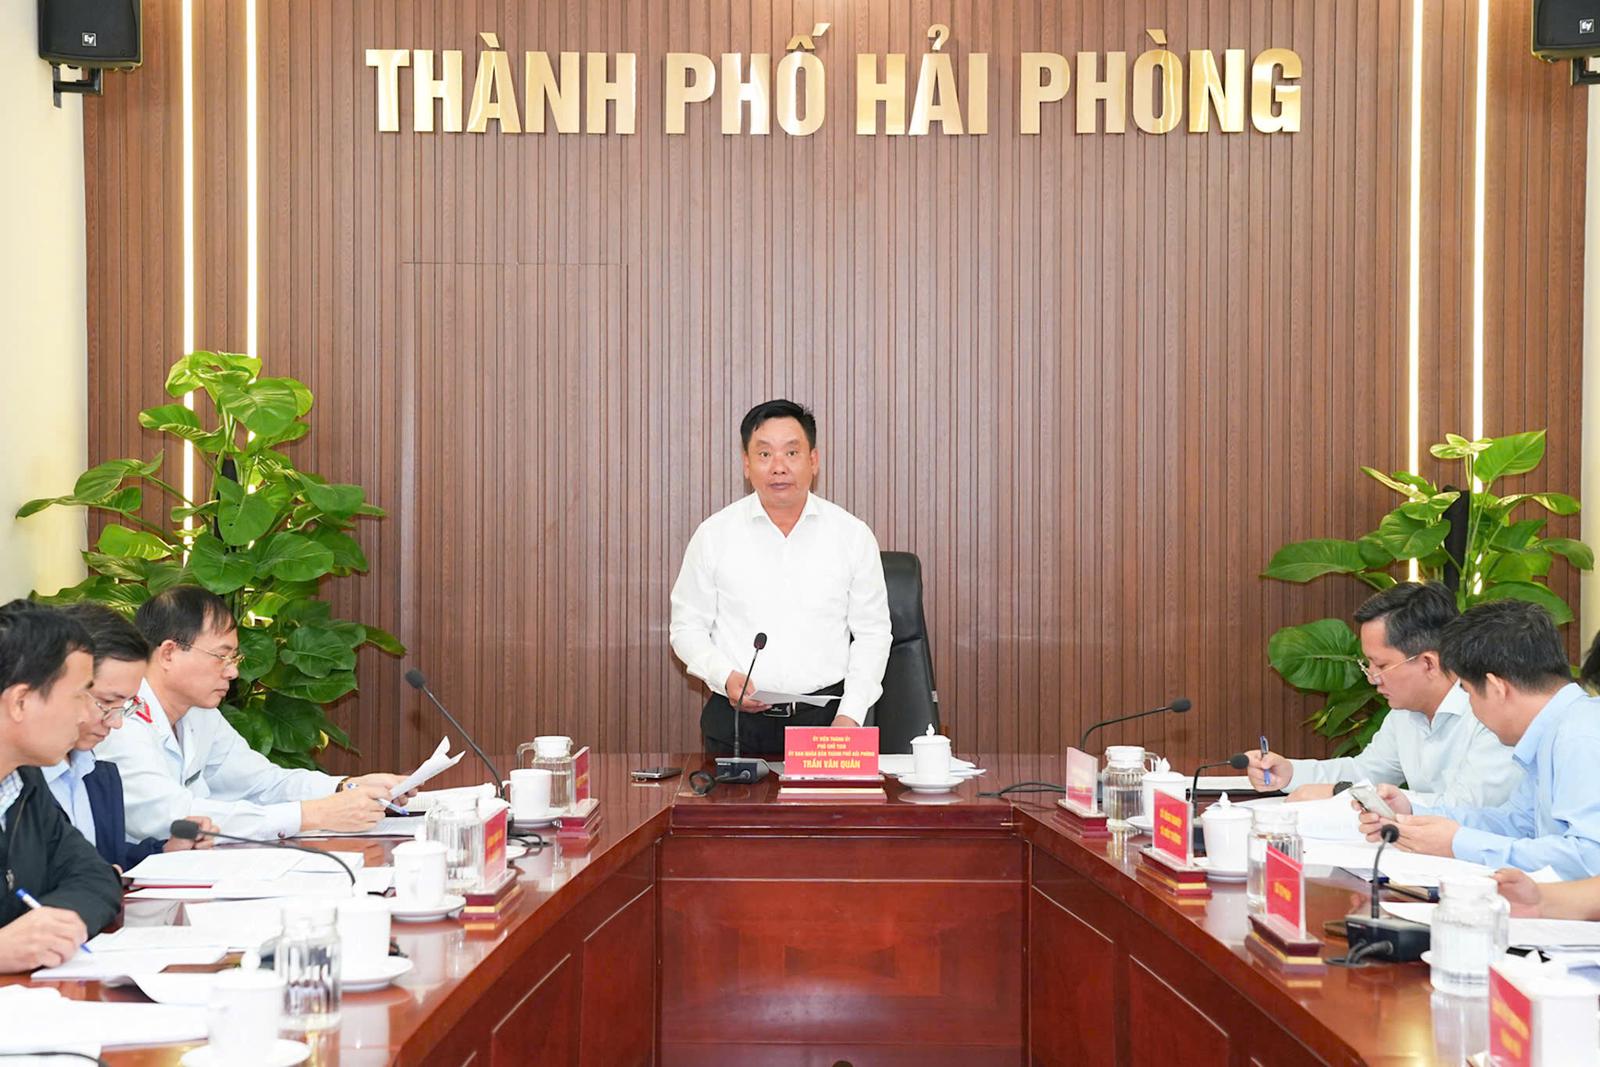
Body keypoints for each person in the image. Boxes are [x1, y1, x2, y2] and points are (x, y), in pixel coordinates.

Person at [670, 399, 893, 756]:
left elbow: (873, 634)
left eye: (791, 452)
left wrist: (850, 716)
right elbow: (686, 627)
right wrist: (724, 676)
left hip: (827, 721)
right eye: (764, 454)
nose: (778, 467)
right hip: (736, 725)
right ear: (746, 464)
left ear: (813, 461)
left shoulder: (852, 536)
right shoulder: (714, 535)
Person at [95, 586, 405, 841]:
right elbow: (171, 817)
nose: (232, 672)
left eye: (235, 658)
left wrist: (345, 787)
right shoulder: (118, 719)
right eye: (221, 656)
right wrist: (313, 815)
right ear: (168, 653)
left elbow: (261, 783)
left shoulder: (199, 712)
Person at [1356, 600, 1600, 878]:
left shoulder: (1581, 738)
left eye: (1468, 692)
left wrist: (1459, 843)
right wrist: (1412, 814)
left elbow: (1590, 859)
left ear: (1496, 688)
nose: (1470, 706)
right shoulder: (1555, 731)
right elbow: (1518, 823)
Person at [1244, 582, 1519, 807]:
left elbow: (1467, 807)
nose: (1372, 677)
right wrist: (1290, 773)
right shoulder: (1404, 712)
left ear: (1428, 663)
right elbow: (1366, 772)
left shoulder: (1491, 710)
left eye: (1381, 665)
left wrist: (1343, 793)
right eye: (1368, 664)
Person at [42, 603, 217, 869]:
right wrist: (100, 882)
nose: (117, 722)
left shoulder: (96, 772)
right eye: (106, 702)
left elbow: (103, 857)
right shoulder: (21, 784)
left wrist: (164, 851)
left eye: (126, 705)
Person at [0, 600, 124, 972]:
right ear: (20, 702)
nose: (86, 715)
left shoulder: (25, 782)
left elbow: (97, 878)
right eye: (79, 696)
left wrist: (44, 933)